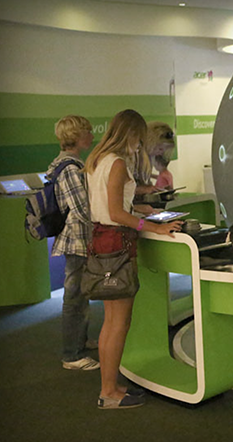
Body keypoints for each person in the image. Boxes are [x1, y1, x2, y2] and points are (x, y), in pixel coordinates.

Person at [85, 109, 183, 409]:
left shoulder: (98, 161)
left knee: (111, 322)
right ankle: (109, 393)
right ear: (130, 134)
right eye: (139, 139)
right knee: (119, 323)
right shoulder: (116, 164)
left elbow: (109, 205)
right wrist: (154, 226)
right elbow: (116, 213)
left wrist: (141, 210)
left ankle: (109, 385)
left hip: (102, 241)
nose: (140, 146)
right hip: (117, 243)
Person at [50, 115, 99, 371]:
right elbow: (81, 208)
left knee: (80, 294)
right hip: (77, 239)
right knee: (74, 297)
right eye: (87, 131)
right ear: (76, 136)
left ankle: (79, 342)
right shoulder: (70, 167)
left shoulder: (68, 164)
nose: (91, 135)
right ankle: (71, 354)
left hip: (78, 238)